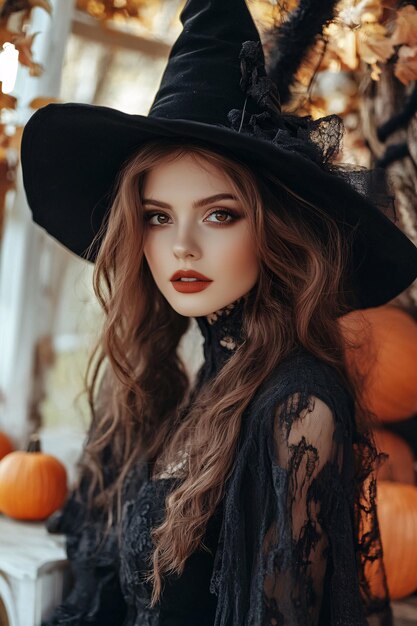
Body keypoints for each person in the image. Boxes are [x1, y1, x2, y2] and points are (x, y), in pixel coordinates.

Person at [20, 0, 417, 625]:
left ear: (272, 229)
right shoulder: (197, 377)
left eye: (218, 214)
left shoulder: (298, 409)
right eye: (157, 216)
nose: (181, 245)